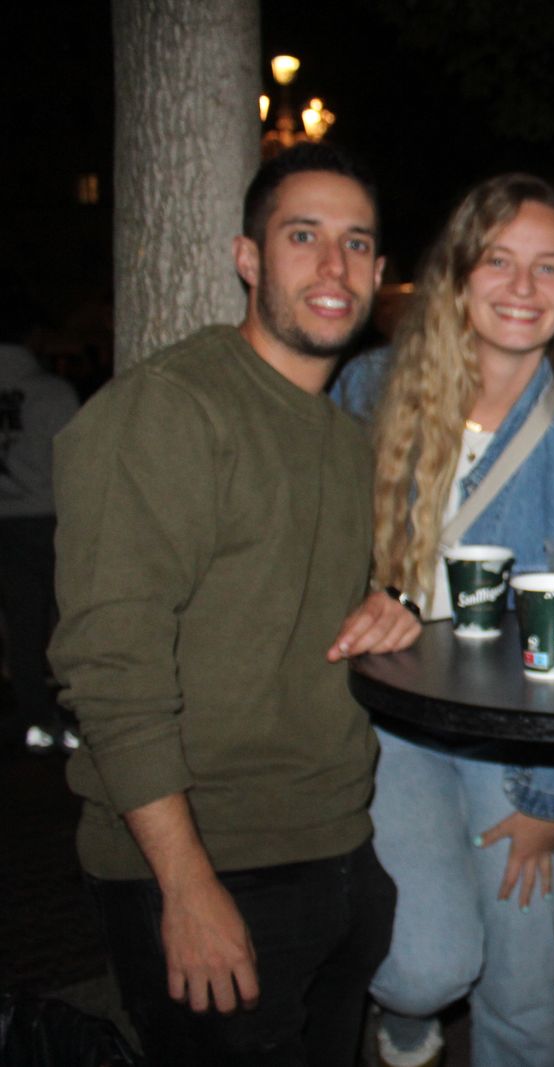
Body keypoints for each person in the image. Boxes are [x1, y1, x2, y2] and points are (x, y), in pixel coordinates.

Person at [49, 143, 421, 1065]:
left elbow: (286, 610)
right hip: (208, 864)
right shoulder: (169, 411)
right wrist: (184, 883)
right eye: (304, 237)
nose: (334, 268)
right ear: (248, 258)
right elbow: (109, 667)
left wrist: (390, 604)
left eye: (357, 243)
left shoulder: (342, 439)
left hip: (338, 850)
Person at [333, 173, 554, 1067]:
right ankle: (405, 1016)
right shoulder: (364, 392)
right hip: (389, 723)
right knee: (424, 967)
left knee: (519, 992)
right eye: (499, 262)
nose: (523, 287)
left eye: (548, 268)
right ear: (457, 276)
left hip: (522, 751)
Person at [0, 277, 79, 753]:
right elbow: (76, 466)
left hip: (5, 519)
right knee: (67, 619)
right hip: (46, 518)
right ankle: (64, 713)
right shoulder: (52, 393)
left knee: (21, 625)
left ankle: (32, 710)